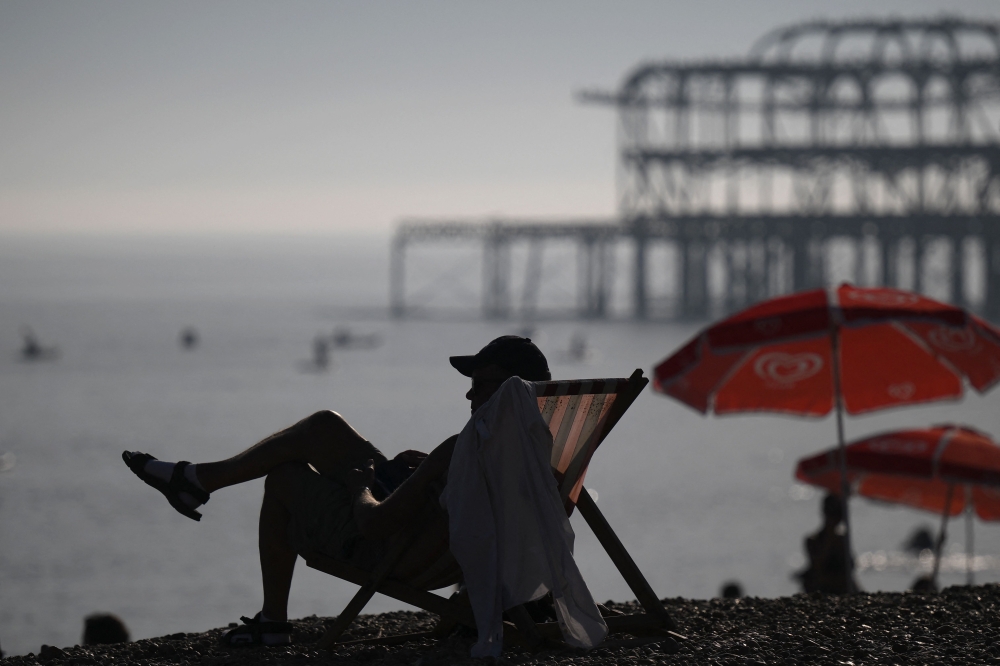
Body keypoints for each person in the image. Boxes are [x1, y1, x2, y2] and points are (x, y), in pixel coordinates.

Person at [122, 335, 551, 646]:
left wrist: (360, 487)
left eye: (482, 384)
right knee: (326, 426)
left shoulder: (465, 448)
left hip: (395, 551)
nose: (468, 392)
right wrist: (430, 477)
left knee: (285, 476)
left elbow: (373, 524)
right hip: (435, 538)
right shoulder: (541, 451)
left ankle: (267, 611)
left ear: (512, 393)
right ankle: (195, 480)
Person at [795, 493, 859, 594]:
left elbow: (851, 567)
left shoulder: (842, 541)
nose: (836, 518)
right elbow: (818, 568)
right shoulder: (813, 540)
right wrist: (829, 541)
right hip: (822, 590)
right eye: (833, 513)